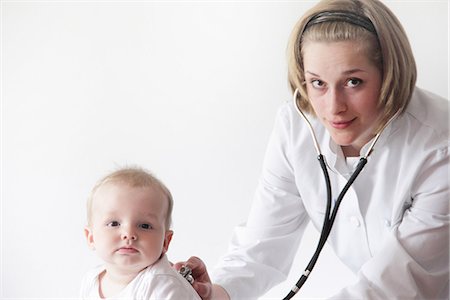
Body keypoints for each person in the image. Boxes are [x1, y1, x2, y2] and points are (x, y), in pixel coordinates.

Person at [175, 0, 449, 299]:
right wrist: (213, 293)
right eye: (317, 83)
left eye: (353, 82)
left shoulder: (439, 145)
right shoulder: (296, 127)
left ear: (390, 75)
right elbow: (263, 244)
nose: (334, 108)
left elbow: (396, 285)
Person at [80, 167, 201, 299]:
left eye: (144, 225)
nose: (129, 233)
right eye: (114, 224)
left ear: (165, 242)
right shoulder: (91, 281)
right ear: (90, 238)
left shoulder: (163, 287)